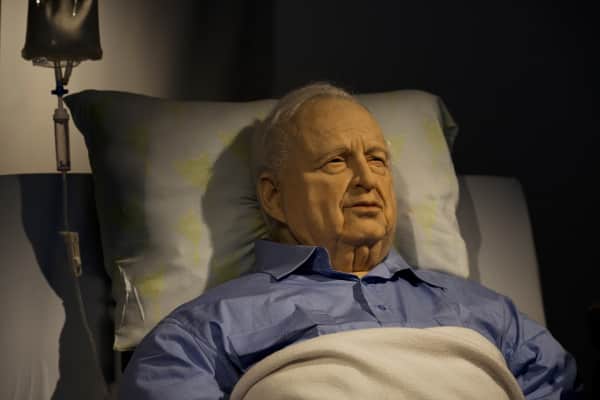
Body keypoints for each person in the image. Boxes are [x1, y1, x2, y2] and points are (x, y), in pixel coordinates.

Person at [120, 83, 578, 399]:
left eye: (377, 160)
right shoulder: (200, 332)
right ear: (274, 197)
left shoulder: (489, 313)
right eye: (336, 161)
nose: (366, 179)